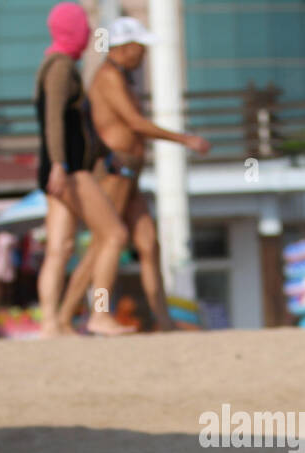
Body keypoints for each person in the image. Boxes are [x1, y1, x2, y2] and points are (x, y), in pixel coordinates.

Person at [55, 16, 211, 332]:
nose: (143, 55)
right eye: (140, 48)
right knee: (105, 243)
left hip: (131, 172)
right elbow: (135, 124)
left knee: (148, 243)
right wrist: (185, 139)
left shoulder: (124, 78)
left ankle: (163, 320)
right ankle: (72, 314)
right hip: (114, 171)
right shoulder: (108, 77)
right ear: (124, 48)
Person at [34, 1, 132, 337]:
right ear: (72, 30)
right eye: (84, 26)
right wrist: (61, 165)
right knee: (113, 235)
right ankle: (100, 314)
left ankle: (52, 323)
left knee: (59, 248)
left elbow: (80, 126)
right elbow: (55, 121)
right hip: (70, 171)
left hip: (55, 169)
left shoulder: (54, 64)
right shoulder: (61, 67)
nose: (89, 33)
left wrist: (105, 153)